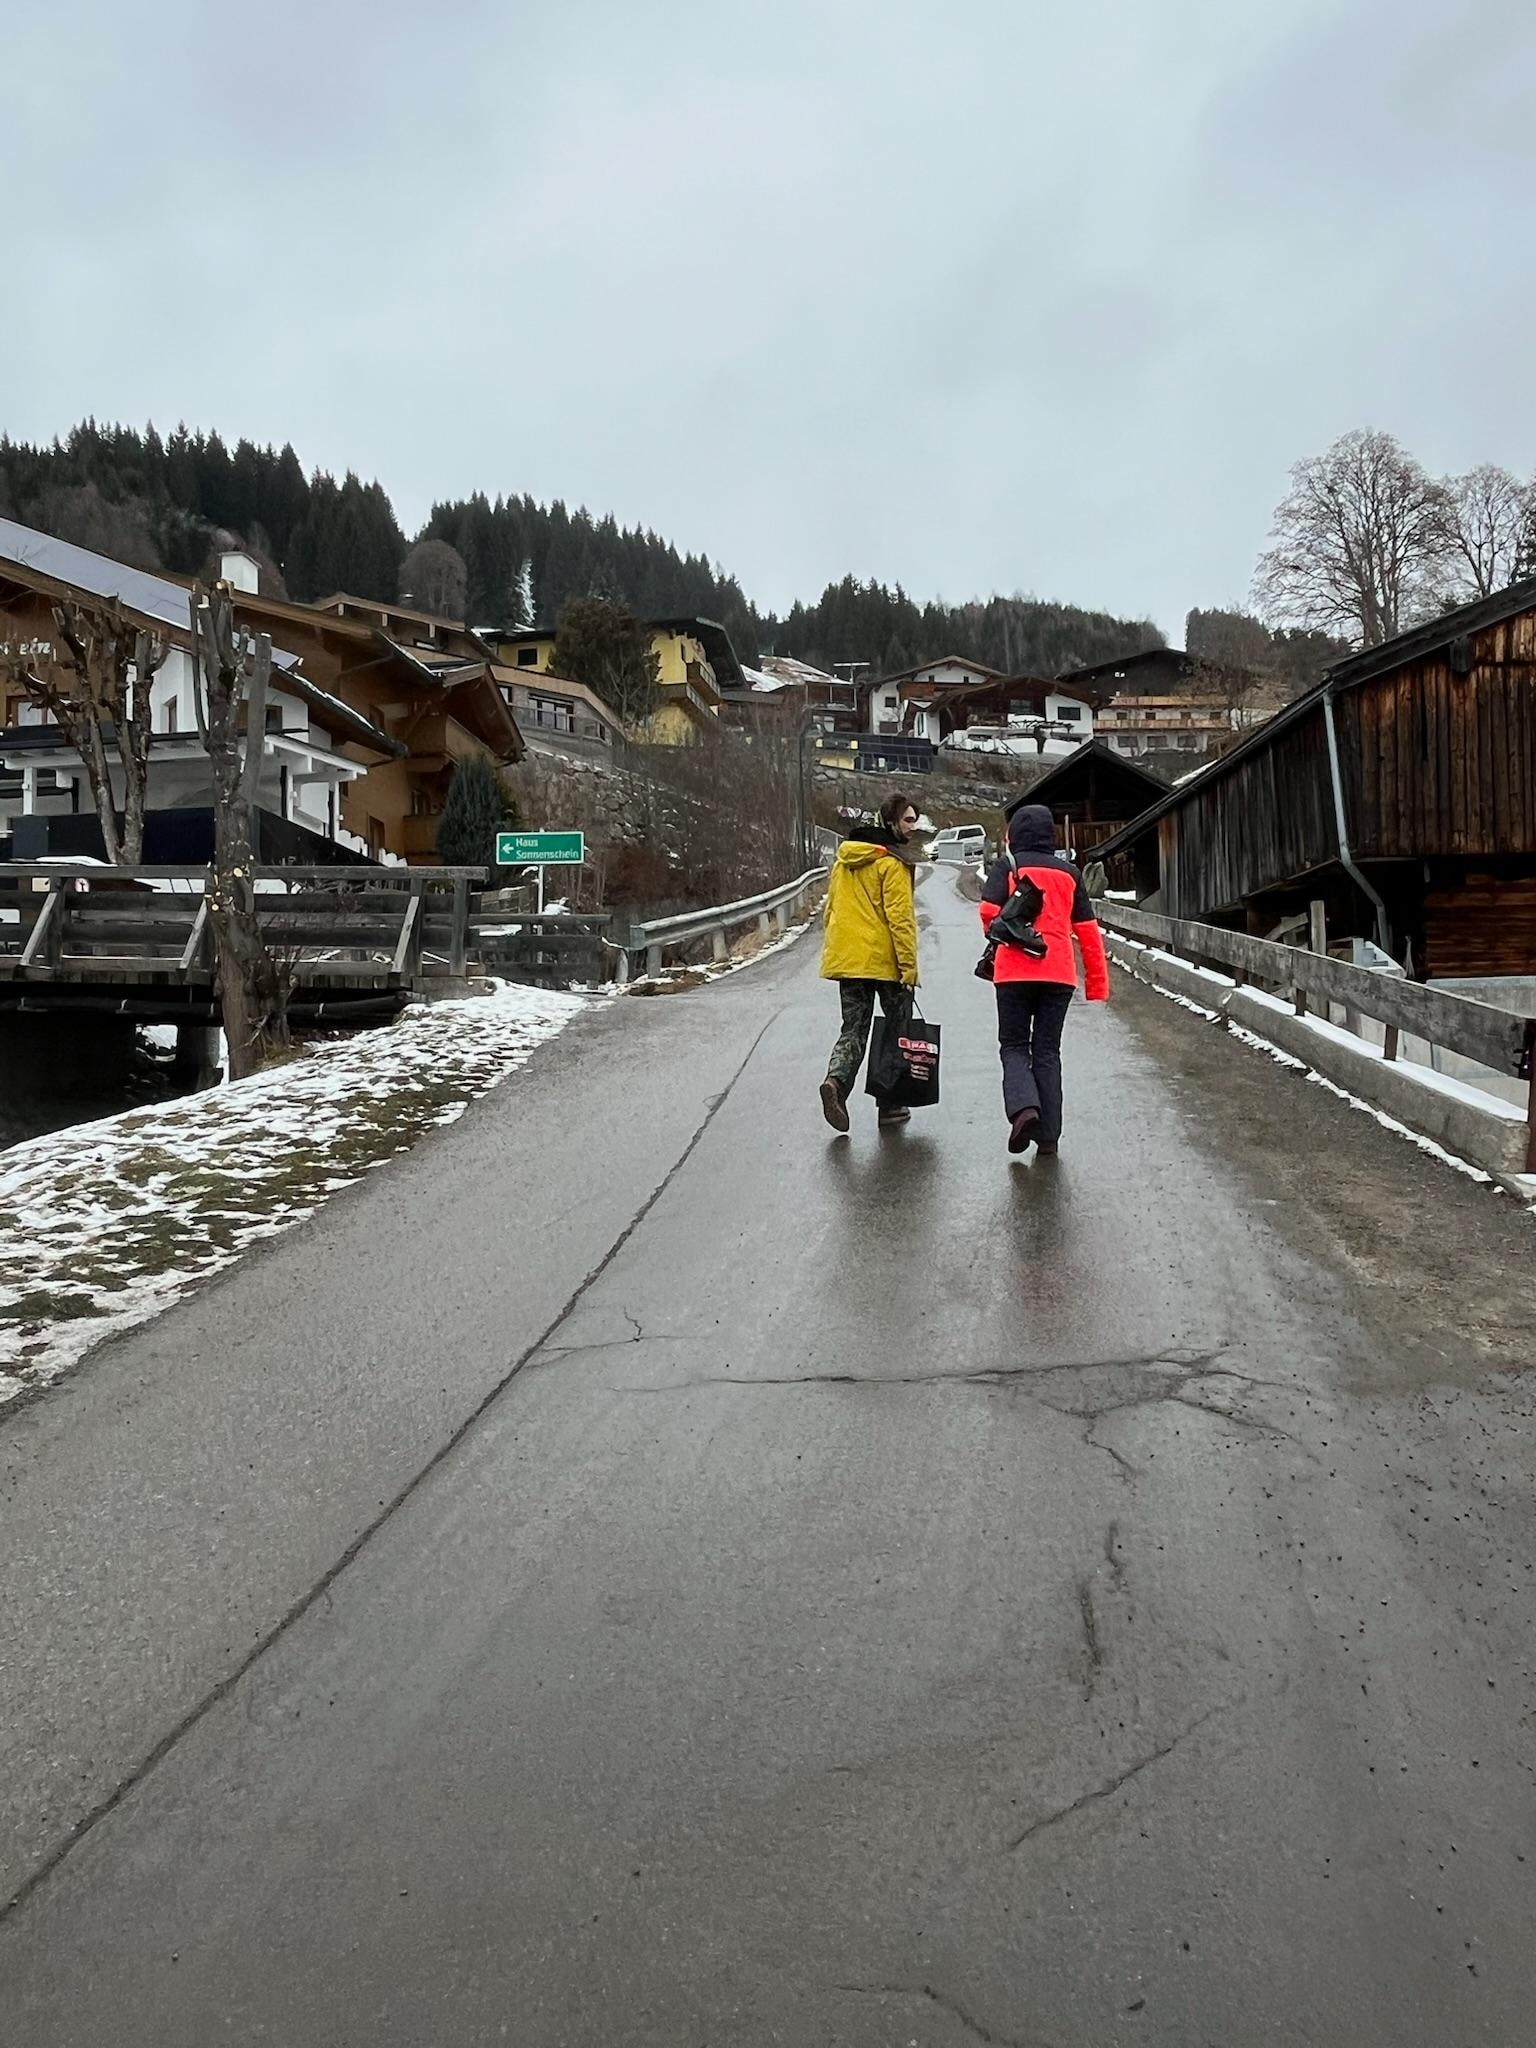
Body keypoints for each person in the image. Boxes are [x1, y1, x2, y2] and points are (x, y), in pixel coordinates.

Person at [979, 800, 1109, 1155]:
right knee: (1048, 1051)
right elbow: (1088, 932)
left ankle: (1024, 1109)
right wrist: (1097, 985)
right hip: (1058, 975)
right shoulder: (1070, 873)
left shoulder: (1008, 866)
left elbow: (989, 912)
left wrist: (1006, 931)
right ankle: (1049, 1137)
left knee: (1014, 1045)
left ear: (1015, 834)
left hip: (1013, 973)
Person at [819, 793, 921, 1132]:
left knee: (853, 1028)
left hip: (849, 960)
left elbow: (830, 910)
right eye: (908, 820)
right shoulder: (891, 863)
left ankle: (835, 1082)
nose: (913, 827)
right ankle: (890, 1105)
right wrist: (909, 969)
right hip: (885, 962)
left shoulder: (844, 861)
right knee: (896, 1029)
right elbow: (901, 921)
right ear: (891, 822)